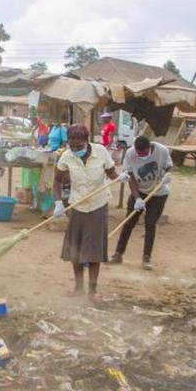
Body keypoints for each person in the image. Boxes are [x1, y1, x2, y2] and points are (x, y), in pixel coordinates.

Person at [53, 125, 128, 303]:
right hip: (77, 206)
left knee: (94, 250)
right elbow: (57, 181)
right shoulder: (66, 156)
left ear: (86, 142)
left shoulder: (101, 151)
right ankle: (79, 288)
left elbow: (111, 173)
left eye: (79, 146)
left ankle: (92, 290)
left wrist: (120, 177)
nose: (75, 149)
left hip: (98, 205)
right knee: (75, 250)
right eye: (72, 145)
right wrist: (58, 202)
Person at [110, 136, 172, 270]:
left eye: (144, 154)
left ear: (149, 147)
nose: (141, 156)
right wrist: (137, 198)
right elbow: (131, 177)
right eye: (139, 154)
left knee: (150, 224)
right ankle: (118, 254)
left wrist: (167, 175)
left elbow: (169, 167)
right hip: (138, 191)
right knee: (128, 223)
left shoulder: (162, 151)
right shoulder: (130, 154)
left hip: (159, 193)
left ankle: (146, 258)